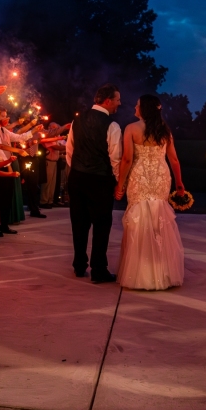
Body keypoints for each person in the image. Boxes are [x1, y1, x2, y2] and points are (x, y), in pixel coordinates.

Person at [114, 95, 186, 290]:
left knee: (139, 220)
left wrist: (120, 185)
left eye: (137, 105)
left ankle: (142, 272)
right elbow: (174, 160)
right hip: (161, 177)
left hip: (140, 176)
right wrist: (179, 184)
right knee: (158, 221)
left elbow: (127, 160)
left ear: (144, 109)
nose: (134, 108)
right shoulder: (165, 130)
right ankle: (163, 272)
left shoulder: (131, 129)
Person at [66, 84, 122, 282]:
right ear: (107, 101)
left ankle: (79, 265)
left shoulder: (77, 121)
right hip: (100, 180)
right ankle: (99, 269)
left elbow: (70, 151)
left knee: (79, 224)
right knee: (101, 224)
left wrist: (77, 170)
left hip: (77, 177)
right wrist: (116, 181)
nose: (119, 103)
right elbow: (115, 157)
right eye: (117, 100)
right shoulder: (112, 126)